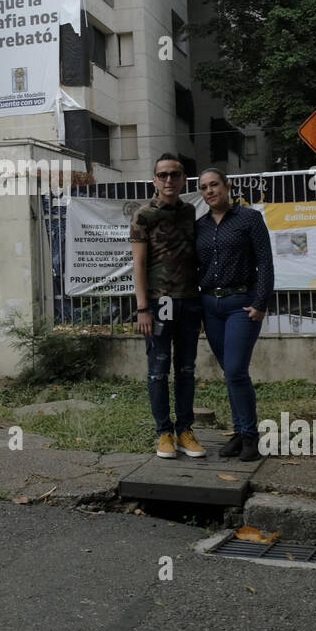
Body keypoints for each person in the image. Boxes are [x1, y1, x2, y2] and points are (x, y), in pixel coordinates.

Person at [130, 153, 206, 459]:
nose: (169, 180)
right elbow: (138, 264)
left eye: (175, 174)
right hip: (158, 303)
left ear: (183, 179)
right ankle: (164, 433)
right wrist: (142, 308)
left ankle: (185, 430)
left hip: (189, 302)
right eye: (163, 175)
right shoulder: (143, 215)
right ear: (154, 180)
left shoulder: (189, 212)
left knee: (186, 370)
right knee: (158, 371)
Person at [196, 168, 274, 461]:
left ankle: (250, 437)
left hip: (242, 304)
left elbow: (265, 262)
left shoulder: (249, 219)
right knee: (230, 373)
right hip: (210, 306)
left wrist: (261, 302)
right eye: (204, 187)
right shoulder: (199, 226)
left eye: (214, 184)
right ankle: (240, 433)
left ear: (227, 187)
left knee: (236, 370)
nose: (209, 191)